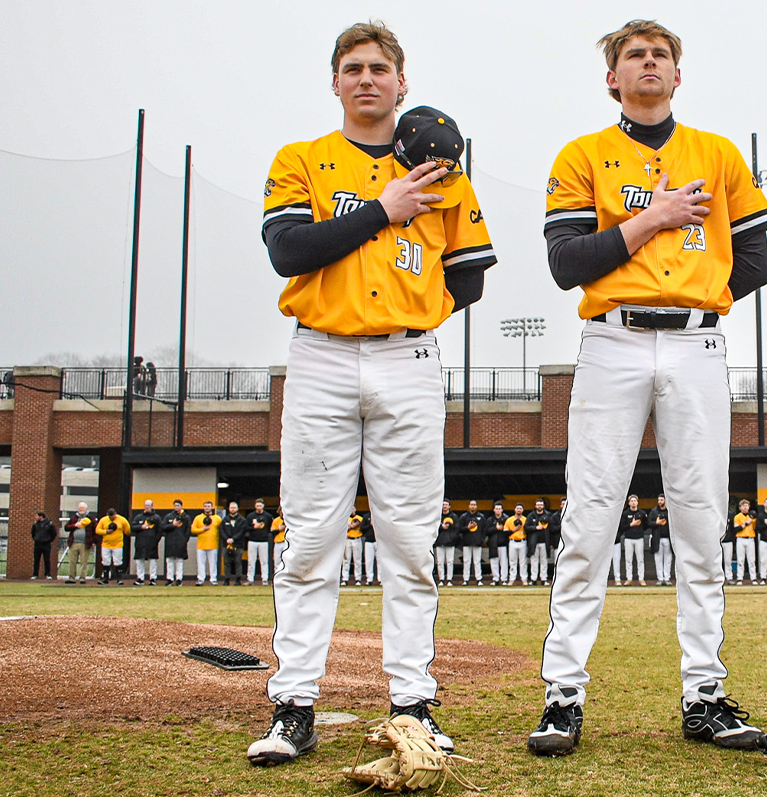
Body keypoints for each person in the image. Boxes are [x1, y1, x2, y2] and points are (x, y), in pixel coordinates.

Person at [249, 20, 495, 767]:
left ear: (401, 81)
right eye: (352, 67)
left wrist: (408, 315)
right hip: (321, 357)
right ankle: (294, 705)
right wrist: (381, 210)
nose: (366, 78)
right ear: (334, 82)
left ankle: (413, 701)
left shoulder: (441, 169)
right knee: (312, 539)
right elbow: (288, 249)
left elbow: (471, 275)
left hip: (407, 360)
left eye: (379, 67)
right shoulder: (303, 160)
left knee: (409, 542)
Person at [530, 20, 767, 757]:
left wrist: (700, 295)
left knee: (701, 518)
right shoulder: (582, 156)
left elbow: (755, 258)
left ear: (676, 74)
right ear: (613, 78)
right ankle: (562, 695)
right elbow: (567, 262)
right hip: (613, 339)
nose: (647, 63)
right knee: (590, 514)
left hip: (697, 340)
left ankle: (704, 693)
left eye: (659, 55)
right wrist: (654, 220)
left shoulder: (717, 154)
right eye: (632, 55)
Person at [131, 500, 163, 586]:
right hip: (140, 543)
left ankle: (153, 578)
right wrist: (141, 527)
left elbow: (160, 531)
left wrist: (155, 540)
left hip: (152, 544)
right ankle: (140, 578)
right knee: (139, 560)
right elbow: (132, 527)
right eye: (145, 505)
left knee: (152, 561)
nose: (147, 507)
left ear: (152, 506)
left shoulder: (157, 518)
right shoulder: (139, 517)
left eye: (148, 505)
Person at [191, 501, 223, 586]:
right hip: (201, 545)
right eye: (205, 506)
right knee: (201, 563)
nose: (207, 508)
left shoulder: (217, 518)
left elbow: (221, 530)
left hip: (213, 544)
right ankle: (201, 579)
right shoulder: (198, 518)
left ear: (212, 507)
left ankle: (213, 579)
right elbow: (193, 530)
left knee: (213, 563)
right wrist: (202, 529)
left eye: (208, 506)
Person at [620, 495, 648, 586]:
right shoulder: (625, 513)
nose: (633, 502)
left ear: (637, 502)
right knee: (628, 559)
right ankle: (629, 578)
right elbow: (622, 526)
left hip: (639, 538)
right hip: (628, 538)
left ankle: (641, 578)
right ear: (629, 503)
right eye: (631, 501)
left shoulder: (642, 513)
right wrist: (631, 525)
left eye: (634, 501)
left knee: (640, 559)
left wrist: (640, 530)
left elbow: (646, 525)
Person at [97, 508, 130, 585]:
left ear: (115, 514)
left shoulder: (122, 520)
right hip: (106, 544)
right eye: (110, 517)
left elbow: (127, 530)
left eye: (113, 516)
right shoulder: (103, 520)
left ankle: (119, 579)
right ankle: (105, 578)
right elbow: (97, 530)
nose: (112, 518)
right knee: (106, 561)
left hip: (117, 544)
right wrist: (106, 531)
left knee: (118, 561)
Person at [64, 503, 95, 583]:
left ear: (86, 509)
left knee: (84, 562)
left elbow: (95, 530)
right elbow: (66, 527)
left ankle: (82, 578)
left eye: (83, 508)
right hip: (73, 543)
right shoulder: (74, 518)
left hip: (85, 543)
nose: (81, 509)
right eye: (80, 508)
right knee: (72, 561)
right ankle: (71, 578)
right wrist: (75, 525)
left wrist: (94, 541)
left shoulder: (91, 518)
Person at [245, 500, 274, 586]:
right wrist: (254, 527)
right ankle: (250, 579)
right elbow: (246, 527)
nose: (258, 507)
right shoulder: (250, 516)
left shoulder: (268, 516)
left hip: (263, 541)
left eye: (260, 506)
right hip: (252, 540)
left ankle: (265, 579)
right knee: (251, 561)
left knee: (264, 561)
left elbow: (270, 527)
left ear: (263, 506)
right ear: (255, 506)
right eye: (257, 506)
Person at [163, 500, 191, 586]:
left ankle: (179, 579)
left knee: (180, 561)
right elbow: (163, 527)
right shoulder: (169, 516)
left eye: (178, 505)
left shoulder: (186, 517)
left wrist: (184, 540)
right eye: (175, 505)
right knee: (169, 560)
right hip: (170, 542)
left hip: (180, 542)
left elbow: (188, 530)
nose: (176, 507)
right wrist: (172, 525)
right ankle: (170, 579)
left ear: (181, 506)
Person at [527, 498, 552, 586]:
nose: (539, 506)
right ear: (535, 506)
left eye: (541, 505)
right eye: (538, 505)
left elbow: (551, 529)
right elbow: (526, 527)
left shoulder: (548, 515)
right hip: (534, 542)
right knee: (534, 561)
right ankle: (533, 579)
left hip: (545, 542)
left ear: (543, 506)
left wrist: (551, 542)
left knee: (544, 561)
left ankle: (544, 579)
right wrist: (535, 528)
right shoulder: (531, 516)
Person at [732, 499, 758, 586]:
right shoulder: (737, 517)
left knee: (751, 560)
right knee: (740, 559)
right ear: (740, 508)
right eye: (743, 506)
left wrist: (752, 520)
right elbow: (736, 529)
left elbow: (755, 528)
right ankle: (740, 578)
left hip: (750, 539)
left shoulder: (752, 517)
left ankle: (753, 578)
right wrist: (746, 523)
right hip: (741, 538)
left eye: (746, 506)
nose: (745, 508)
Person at [459, 500, 485, 586]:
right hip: (467, 542)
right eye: (471, 505)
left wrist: (481, 540)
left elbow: (484, 530)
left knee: (477, 561)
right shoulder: (464, 517)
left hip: (477, 542)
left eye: (474, 505)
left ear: (476, 506)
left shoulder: (481, 517)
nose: (473, 506)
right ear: (469, 506)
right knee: (466, 561)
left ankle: (479, 579)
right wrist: (468, 527)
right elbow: (460, 529)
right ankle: (466, 579)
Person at [648, 494, 672, 585]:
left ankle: (667, 578)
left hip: (668, 538)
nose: (659, 502)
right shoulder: (654, 511)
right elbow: (648, 523)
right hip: (657, 538)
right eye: (659, 500)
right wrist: (656, 523)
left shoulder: (669, 511)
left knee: (668, 559)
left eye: (661, 500)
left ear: (665, 500)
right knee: (658, 559)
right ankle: (660, 578)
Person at [225, 501, 248, 583]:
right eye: (231, 507)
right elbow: (222, 530)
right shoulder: (225, 519)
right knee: (227, 562)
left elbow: (242, 531)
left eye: (234, 507)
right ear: (229, 508)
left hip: (238, 545)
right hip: (227, 545)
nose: (233, 509)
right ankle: (226, 579)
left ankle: (238, 579)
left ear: (237, 509)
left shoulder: (242, 520)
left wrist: (233, 539)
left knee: (238, 562)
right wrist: (227, 539)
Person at [436, 501, 459, 586]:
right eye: (443, 505)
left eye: (446, 505)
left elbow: (457, 530)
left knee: (450, 561)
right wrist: (441, 527)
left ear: (449, 506)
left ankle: (449, 579)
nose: (444, 506)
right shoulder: (438, 517)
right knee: (440, 562)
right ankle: (441, 579)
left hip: (450, 543)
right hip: (440, 542)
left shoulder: (454, 517)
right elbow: (434, 527)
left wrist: (452, 538)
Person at [488, 501, 510, 586]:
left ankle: (504, 579)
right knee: (494, 562)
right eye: (496, 509)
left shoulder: (506, 519)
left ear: (502, 510)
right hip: (493, 544)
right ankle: (495, 579)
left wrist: (503, 529)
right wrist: (496, 528)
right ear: (494, 510)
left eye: (499, 509)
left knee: (504, 562)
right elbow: (487, 531)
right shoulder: (490, 520)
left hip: (503, 543)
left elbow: (509, 531)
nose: (498, 510)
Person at [507, 502, 529, 586]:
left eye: (520, 508)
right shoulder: (509, 520)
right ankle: (512, 579)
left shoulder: (525, 519)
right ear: (514, 509)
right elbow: (505, 531)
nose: (519, 510)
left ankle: (524, 579)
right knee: (512, 561)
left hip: (522, 541)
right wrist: (514, 529)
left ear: (523, 510)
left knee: (523, 562)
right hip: (512, 541)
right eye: (517, 508)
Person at [30, 511, 57, 580]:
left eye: (37, 516)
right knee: (36, 560)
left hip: (46, 544)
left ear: (41, 516)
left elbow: (54, 533)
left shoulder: (49, 524)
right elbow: (33, 533)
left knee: (47, 559)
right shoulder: (35, 524)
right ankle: (35, 574)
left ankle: (47, 574)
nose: (35, 518)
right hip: (37, 544)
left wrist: (48, 540)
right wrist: (36, 539)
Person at [344, 509, 365, 586]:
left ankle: (358, 579)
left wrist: (350, 527)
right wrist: (350, 526)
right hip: (348, 539)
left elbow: (355, 524)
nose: (352, 510)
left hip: (356, 539)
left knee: (357, 560)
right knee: (346, 559)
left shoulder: (359, 518)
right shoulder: (346, 518)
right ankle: (345, 578)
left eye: (353, 508)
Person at [362, 515, 378, 586]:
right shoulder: (366, 516)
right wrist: (370, 524)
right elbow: (362, 528)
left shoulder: (379, 515)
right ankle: (369, 579)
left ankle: (380, 579)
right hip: (368, 541)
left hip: (378, 541)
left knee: (380, 561)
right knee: (369, 561)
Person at [270, 507, 287, 573]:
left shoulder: (290, 520)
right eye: (281, 511)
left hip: (287, 542)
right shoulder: (276, 520)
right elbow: (272, 531)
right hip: (278, 542)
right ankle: (276, 576)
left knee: (287, 561)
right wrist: (278, 529)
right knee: (277, 561)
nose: (282, 513)